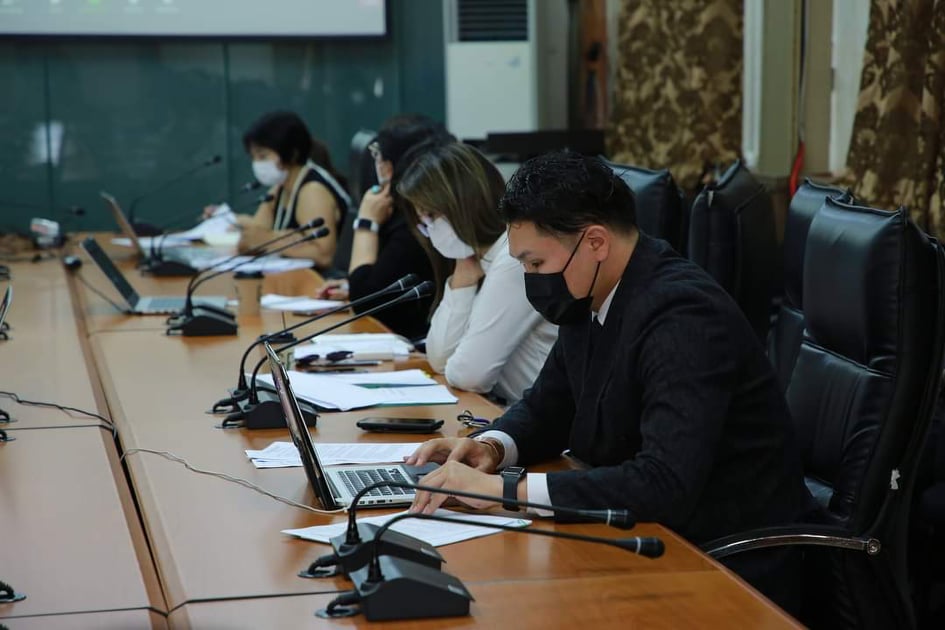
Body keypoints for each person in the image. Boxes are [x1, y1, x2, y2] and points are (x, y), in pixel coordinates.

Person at [406, 151, 813, 612]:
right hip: (649, 537)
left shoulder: (683, 316)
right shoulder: (591, 292)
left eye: (536, 263)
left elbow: (663, 482)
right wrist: (493, 448)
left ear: (596, 242)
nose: (531, 279)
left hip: (724, 566)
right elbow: (548, 406)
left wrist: (504, 492)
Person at [397, 143, 557, 403]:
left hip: (544, 419)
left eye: (432, 216)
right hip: (509, 409)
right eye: (423, 222)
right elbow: (439, 358)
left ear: (465, 201)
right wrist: (462, 282)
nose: (430, 229)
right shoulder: (478, 261)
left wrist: (456, 364)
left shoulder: (514, 258)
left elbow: (470, 375)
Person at [317, 114, 453, 340]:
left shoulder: (414, 221)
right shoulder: (418, 211)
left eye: (377, 154)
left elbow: (364, 301)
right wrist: (353, 285)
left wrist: (366, 223)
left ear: (389, 167)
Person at [220, 111, 350, 269]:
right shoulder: (281, 186)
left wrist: (270, 240)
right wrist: (275, 238)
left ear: (291, 154)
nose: (256, 164)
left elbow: (325, 256)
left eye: (263, 157)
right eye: (253, 157)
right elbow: (256, 233)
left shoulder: (312, 191)